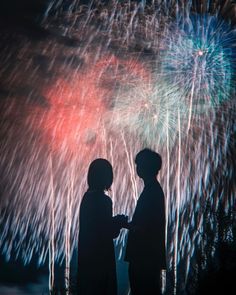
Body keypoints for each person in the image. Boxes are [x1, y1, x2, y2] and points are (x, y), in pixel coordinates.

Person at [78, 158, 127, 295]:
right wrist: (119, 222)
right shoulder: (105, 201)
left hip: (87, 257)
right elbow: (107, 232)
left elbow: (95, 225)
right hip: (101, 259)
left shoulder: (86, 198)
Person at [125, 148, 166, 295]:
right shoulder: (153, 190)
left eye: (139, 164)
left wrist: (129, 226)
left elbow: (147, 227)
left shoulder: (152, 191)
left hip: (144, 258)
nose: (136, 168)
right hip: (147, 257)